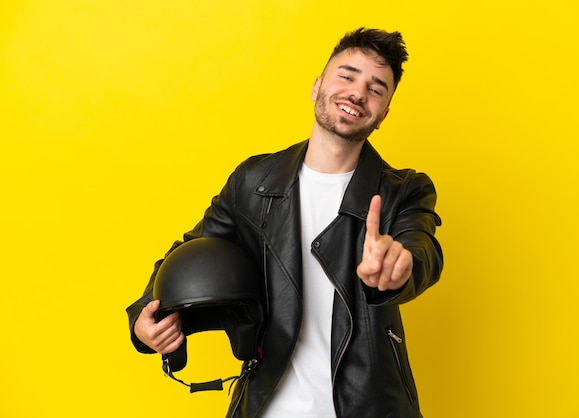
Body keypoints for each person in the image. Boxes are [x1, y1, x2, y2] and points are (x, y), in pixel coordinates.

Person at [126, 27, 444, 418]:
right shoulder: (252, 182)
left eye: (376, 89)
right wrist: (147, 316)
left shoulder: (404, 190)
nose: (358, 93)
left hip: (371, 406)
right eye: (347, 76)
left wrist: (402, 266)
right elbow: (191, 250)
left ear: (383, 115)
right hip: (267, 406)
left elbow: (422, 249)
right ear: (317, 86)